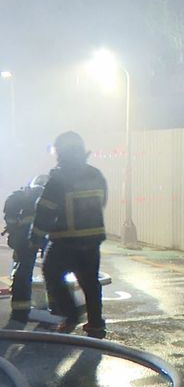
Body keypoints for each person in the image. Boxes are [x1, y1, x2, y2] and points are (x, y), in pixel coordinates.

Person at [31, 131, 108, 339]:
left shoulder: (59, 177)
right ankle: (95, 325)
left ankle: (71, 315)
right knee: (90, 282)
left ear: (61, 152)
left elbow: (45, 211)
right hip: (92, 240)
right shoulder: (95, 174)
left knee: (51, 272)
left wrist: (35, 237)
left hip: (66, 240)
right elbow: (102, 201)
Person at [2, 174, 47, 328]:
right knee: (53, 270)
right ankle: (57, 308)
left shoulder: (24, 194)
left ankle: (20, 311)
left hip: (25, 237)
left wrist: (14, 230)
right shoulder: (48, 194)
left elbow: (10, 212)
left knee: (23, 268)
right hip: (43, 235)